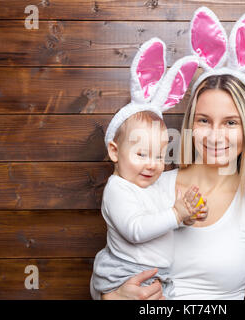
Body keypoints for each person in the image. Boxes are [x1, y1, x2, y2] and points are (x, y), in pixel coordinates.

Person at [100, 7, 245, 300]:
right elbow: (112, 263)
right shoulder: (152, 185)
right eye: (204, 120)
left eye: (231, 122)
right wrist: (111, 297)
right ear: (191, 122)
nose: (215, 136)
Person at [89, 38, 208, 300]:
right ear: (114, 152)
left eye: (159, 154)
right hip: (126, 273)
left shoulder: (154, 185)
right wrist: (176, 213)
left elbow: (168, 223)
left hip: (158, 275)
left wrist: (188, 215)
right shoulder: (118, 189)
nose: (152, 163)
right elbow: (136, 230)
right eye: (142, 153)